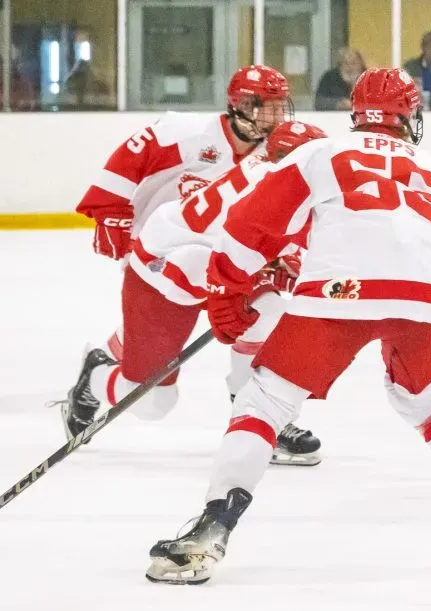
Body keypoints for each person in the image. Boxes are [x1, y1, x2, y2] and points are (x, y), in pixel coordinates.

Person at [145, 68, 431, 585]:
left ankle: (212, 528)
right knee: (427, 398)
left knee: (266, 401)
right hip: (425, 297)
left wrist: (225, 286)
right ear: (409, 118)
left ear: (357, 114)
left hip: (337, 293)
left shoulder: (319, 152)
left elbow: (249, 225)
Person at [61, 66, 320, 463]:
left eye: (279, 110)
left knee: (269, 310)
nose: (275, 119)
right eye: (264, 109)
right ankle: (96, 377)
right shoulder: (192, 133)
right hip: (164, 266)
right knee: (152, 402)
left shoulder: (272, 158)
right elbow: (134, 153)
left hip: (215, 259)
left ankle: (257, 418)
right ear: (239, 106)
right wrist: (110, 209)